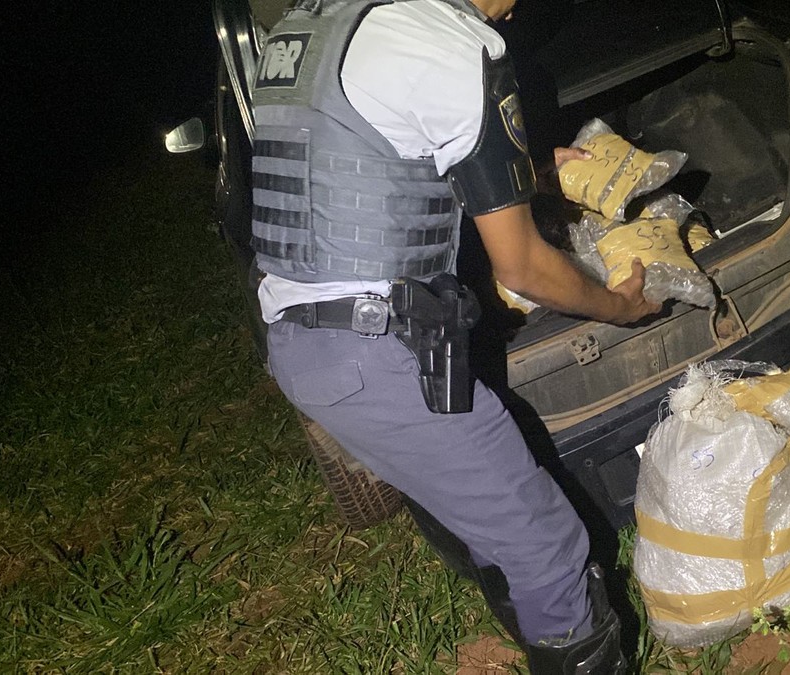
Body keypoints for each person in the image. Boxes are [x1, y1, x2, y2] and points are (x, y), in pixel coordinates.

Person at [249, 0, 659, 672]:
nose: (513, 12)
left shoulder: (313, 24)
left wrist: (522, 170)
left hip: (305, 341)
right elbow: (523, 267)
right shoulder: (456, 45)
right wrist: (619, 306)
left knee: (497, 523)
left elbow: (364, 165)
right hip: (375, 351)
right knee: (545, 544)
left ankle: (532, 618)